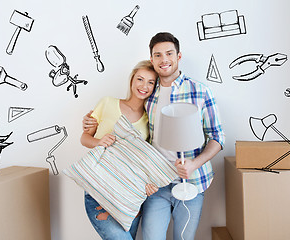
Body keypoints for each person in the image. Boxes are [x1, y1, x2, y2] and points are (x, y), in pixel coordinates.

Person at [83, 32, 225, 240]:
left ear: (179, 56)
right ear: (152, 59)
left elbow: (217, 137)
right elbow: (128, 124)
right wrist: (90, 123)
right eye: (157, 55)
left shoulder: (200, 91)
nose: (164, 59)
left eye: (169, 53)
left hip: (192, 182)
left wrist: (194, 164)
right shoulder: (148, 91)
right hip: (155, 184)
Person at [80, 60, 159, 240]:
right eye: (140, 79)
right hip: (99, 189)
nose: (144, 86)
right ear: (132, 80)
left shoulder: (150, 119)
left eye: (150, 82)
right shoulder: (107, 103)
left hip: (130, 194)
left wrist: (148, 183)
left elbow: (145, 160)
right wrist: (100, 141)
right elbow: (84, 138)